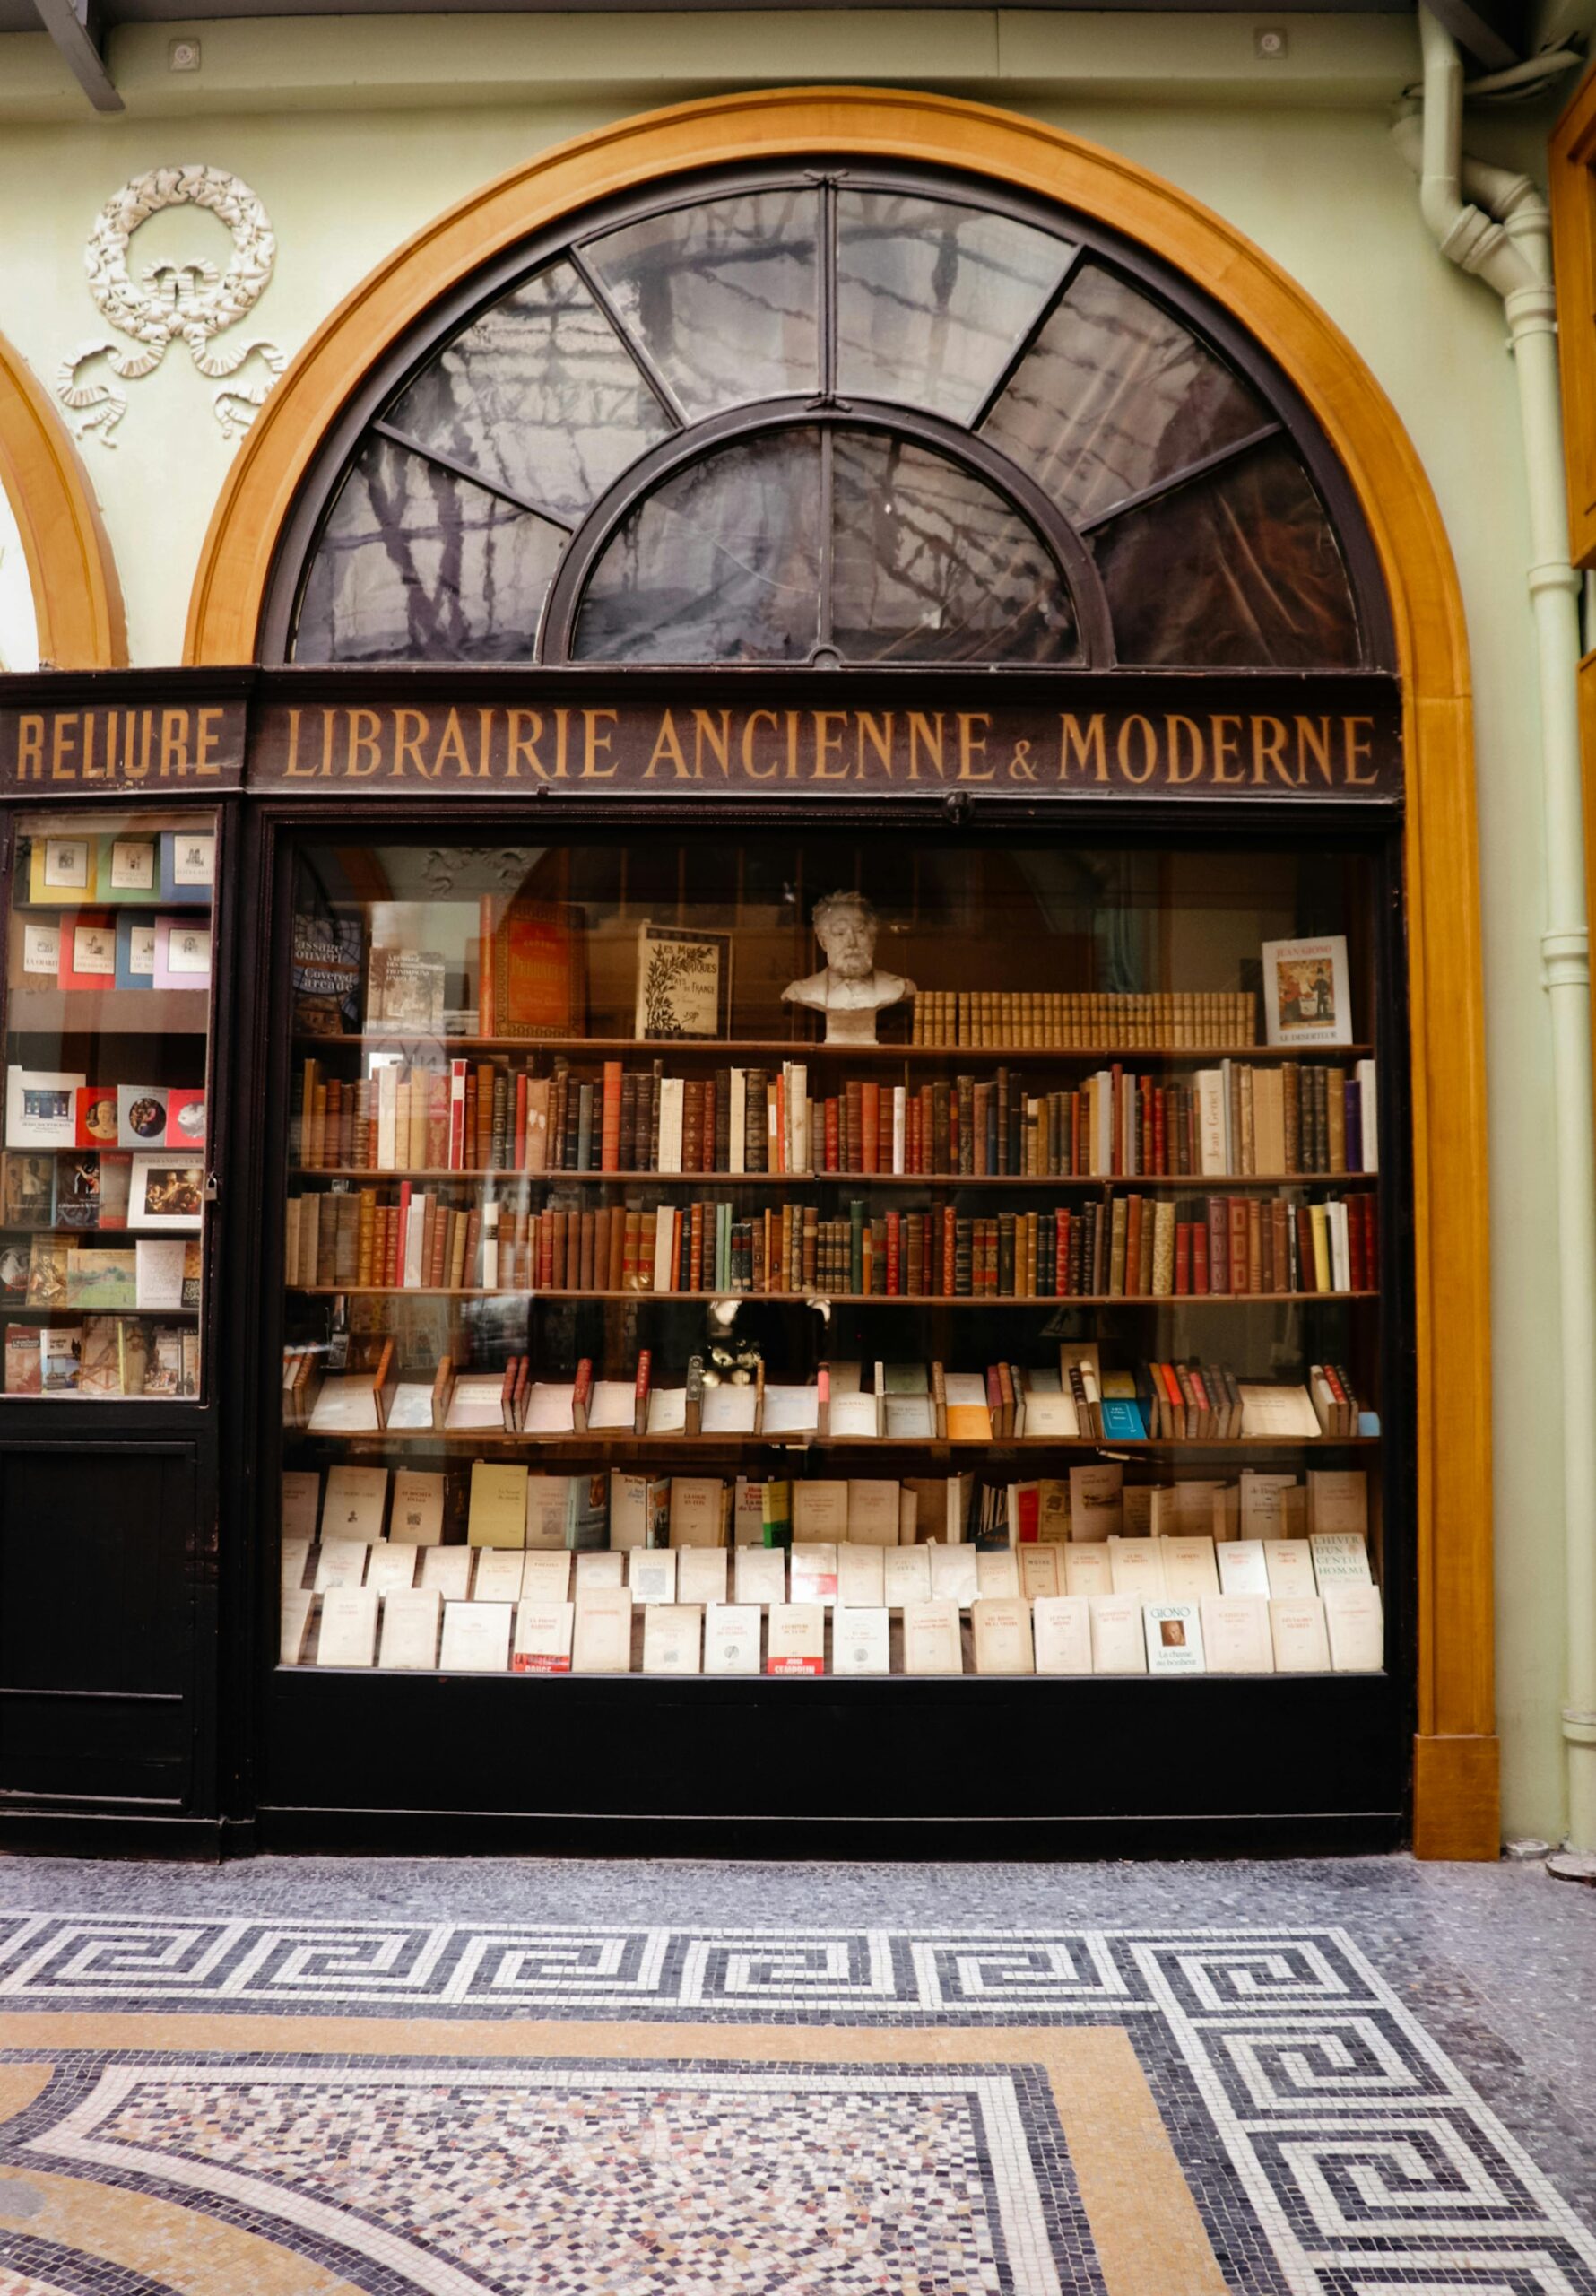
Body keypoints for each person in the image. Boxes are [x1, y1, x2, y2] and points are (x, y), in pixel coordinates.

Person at [782, 891, 915, 1044]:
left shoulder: (900, 988)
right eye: (840, 933)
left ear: (873, 938)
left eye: (860, 931)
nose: (851, 942)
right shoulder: (800, 991)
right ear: (823, 942)